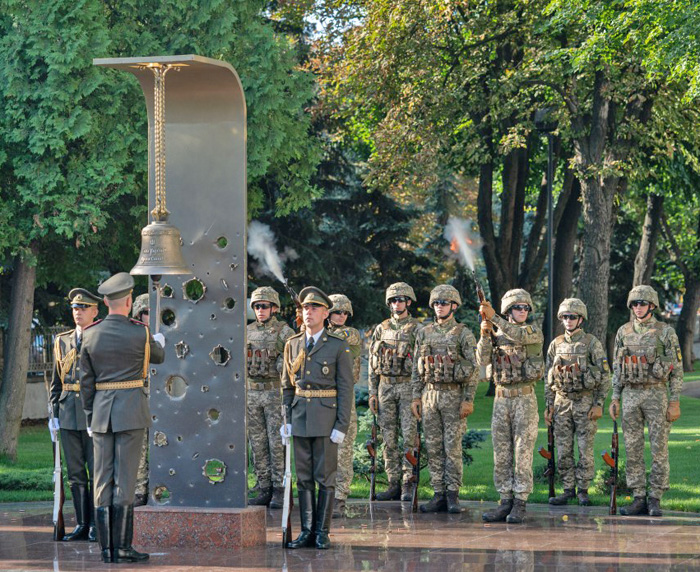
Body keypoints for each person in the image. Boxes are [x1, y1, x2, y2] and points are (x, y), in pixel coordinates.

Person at [80, 272, 165, 563]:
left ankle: (107, 550)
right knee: (126, 479)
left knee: (102, 480)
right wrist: (157, 338)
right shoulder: (140, 332)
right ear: (129, 301)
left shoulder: (90, 334)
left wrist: (91, 416)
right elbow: (160, 357)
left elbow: (85, 382)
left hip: (101, 413)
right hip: (131, 410)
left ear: (105, 302)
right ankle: (124, 547)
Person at [280, 286, 353, 550]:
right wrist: (286, 419)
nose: (307, 312)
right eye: (304, 308)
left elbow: (346, 388)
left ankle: (322, 531)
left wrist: (341, 425)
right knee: (303, 478)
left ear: (325, 313)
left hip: (325, 419)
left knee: (325, 477)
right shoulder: (293, 344)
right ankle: (307, 531)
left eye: (313, 308)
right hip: (299, 418)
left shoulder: (337, 346)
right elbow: (287, 386)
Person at [609, 285, 683, 517]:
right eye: (634, 304)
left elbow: (677, 369)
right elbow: (617, 368)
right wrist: (615, 397)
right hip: (630, 394)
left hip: (656, 394)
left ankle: (655, 498)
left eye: (642, 303)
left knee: (659, 448)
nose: (638, 308)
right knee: (632, 448)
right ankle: (638, 496)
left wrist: (674, 401)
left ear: (652, 305)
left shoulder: (665, 332)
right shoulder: (623, 331)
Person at [477, 289, 544, 524]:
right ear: (509, 312)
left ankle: (520, 502)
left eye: (526, 308)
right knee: (501, 451)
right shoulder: (498, 333)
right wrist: (485, 335)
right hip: (501, 399)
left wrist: (493, 317)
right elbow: (482, 361)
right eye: (517, 308)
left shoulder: (532, 331)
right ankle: (504, 500)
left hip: (524, 399)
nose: (523, 311)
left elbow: (519, 336)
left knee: (522, 450)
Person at [410, 285, 478, 513]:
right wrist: (415, 397)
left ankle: (452, 496)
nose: (440, 307)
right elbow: (416, 368)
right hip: (429, 395)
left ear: (454, 306)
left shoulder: (463, 333)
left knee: (452, 447)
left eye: (444, 303)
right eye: (437, 303)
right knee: (433, 446)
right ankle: (438, 493)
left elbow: (472, 369)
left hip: (453, 396)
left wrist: (468, 399)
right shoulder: (424, 332)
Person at [544, 298, 610, 506]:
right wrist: (549, 406)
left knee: (585, 449)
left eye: (572, 317)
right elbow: (548, 378)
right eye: (565, 317)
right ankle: (567, 489)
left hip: (584, 403)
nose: (568, 320)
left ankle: (583, 490)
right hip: (561, 403)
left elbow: (605, 376)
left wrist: (599, 403)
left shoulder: (591, 343)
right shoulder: (556, 344)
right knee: (563, 449)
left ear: (581, 319)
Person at [49, 288, 101, 542]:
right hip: (68, 410)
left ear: (95, 311)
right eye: (74, 308)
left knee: (96, 470)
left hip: (93, 412)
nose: (77, 312)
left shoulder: (101, 337)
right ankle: (82, 523)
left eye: (83, 308)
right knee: (76, 473)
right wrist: (53, 413)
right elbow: (56, 380)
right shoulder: (62, 340)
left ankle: (95, 525)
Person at [367, 282, 422, 501]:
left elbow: (420, 365)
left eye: (400, 300)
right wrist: (372, 392)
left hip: (407, 385)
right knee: (387, 436)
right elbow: (373, 361)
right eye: (393, 300)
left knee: (409, 435)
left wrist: (417, 394)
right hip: (385, 386)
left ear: (408, 302)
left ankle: (408, 482)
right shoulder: (382, 328)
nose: (396, 304)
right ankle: (393, 483)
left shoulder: (417, 329)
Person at [246, 286, 294, 508]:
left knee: (277, 442)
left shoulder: (284, 332)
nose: (260, 310)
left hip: (275, 392)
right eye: (256, 306)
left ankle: (280, 488)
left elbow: (295, 361)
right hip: (252, 392)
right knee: (257, 442)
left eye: (264, 306)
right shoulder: (246, 331)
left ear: (274, 308)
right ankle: (263, 485)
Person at [326, 294, 362, 518]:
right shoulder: (318, 332)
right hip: (322, 396)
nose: (341, 316)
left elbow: (333, 342)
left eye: (345, 313)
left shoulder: (350, 334)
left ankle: (339, 497)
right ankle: (325, 495)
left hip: (344, 396)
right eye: (337, 312)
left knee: (344, 449)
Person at [132, 293, 150, 508]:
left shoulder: (167, 333)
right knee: (140, 445)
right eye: (146, 312)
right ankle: (139, 489)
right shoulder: (133, 335)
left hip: (167, 397)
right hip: (139, 395)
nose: (149, 316)